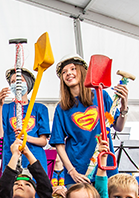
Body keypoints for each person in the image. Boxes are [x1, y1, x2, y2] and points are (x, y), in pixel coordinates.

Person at [50, 54, 129, 186]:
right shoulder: (61, 108)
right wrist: (71, 171)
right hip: (77, 172)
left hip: (105, 165)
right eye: (64, 72)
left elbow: (118, 127)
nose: (68, 73)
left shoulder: (101, 95)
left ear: (82, 71)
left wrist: (123, 106)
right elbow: (59, 143)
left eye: (73, 69)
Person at [0, 67, 50, 172]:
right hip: (11, 160)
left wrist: (26, 138)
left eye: (19, 80)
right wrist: (0, 105)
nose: (16, 84)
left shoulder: (40, 108)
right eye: (12, 82)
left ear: (27, 83)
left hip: (35, 159)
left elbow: (43, 141)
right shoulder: (5, 108)